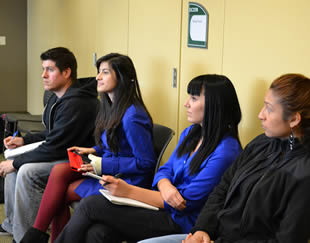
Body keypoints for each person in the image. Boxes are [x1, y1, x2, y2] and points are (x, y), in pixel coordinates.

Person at [54, 74, 243, 243]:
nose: (186, 103)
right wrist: (166, 185)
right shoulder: (191, 133)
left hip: (183, 223)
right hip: (160, 207)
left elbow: (184, 202)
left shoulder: (226, 150)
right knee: (98, 232)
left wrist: (128, 191)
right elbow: (164, 170)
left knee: (91, 205)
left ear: (214, 106)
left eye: (193, 98)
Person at [139, 73, 310, 243]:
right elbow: (222, 188)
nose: (260, 115)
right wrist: (202, 229)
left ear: (294, 119)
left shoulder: (303, 172)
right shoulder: (261, 144)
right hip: (213, 236)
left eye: (269, 109)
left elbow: (287, 238)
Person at [20, 53, 156, 243]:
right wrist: (92, 150)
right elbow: (114, 144)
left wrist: (102, 164)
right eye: (98, 72)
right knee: (60, 171)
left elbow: (146, 163)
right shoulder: (110, 105)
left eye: (105, 73)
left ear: (122, 77)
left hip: (127, 180)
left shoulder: (133, 116)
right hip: (108, 168)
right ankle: (40, 235)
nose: (98, 77)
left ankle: (45, 237)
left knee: (62, 193)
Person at [0, 47, 98, 243]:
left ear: (66, 72)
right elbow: (54, 134)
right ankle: (13, 225)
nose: (43, 75)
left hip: (80, 159)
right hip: (63, 151)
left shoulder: (77, 103)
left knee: (26, 170)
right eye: (43, 69)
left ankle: (26, 238)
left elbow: (55, 146)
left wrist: (17, 162)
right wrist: (24, 141)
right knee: (13, 165)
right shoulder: (58, 97)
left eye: (50, 70)